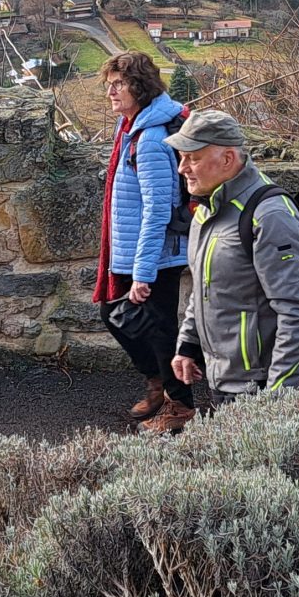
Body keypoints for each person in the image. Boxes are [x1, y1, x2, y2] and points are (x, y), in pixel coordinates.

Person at [168, 110, 299, 413]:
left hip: (259, 388)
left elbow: (298, 311)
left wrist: (280, 396)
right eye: (181, 158)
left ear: (227, 159)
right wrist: (188, 345)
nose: (182, 168)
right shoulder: (208, 207)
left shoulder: (270, 216)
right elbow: (204, 286)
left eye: (193, 158)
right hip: (224, 380)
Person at [92, 52, 197, 434]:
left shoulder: (150, 139)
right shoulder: (132, 126)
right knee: (117, 315)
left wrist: (143, 272)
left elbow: (157, 210)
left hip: (156, 254)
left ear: (139, 87)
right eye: (109, 85)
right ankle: (157, 385)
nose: (110, 92)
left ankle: (180, 406)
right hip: (139, 249)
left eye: (118, 84)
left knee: (159, 330)